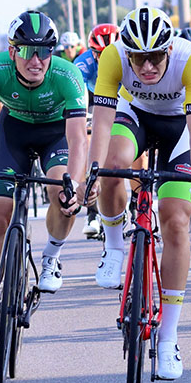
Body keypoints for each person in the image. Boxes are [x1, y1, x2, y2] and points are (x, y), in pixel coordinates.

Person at [89, 7, 191, 381]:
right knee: (114, 164)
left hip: (179, 128)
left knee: (175, 218)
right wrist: (93, 174)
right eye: (138, 58)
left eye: (155, 57)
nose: (146, 67)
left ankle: (168, 336)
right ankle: (114, 248)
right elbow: (101, 121)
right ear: (126, 52)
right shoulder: (112, 57)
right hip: (136, 116)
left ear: (168, 49)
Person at [0, 11, 88, 354]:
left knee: (60, 192)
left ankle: (51, 257)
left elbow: (78, 141)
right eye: (27, 51)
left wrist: (73, 184)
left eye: (44, 51)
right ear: (13, 50)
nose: (36, 60)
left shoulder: (68, 75)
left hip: (54, 136)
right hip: (13, 133)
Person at [75, 22, 121, 239]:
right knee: (89, 144)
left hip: (122, 97)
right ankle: (92, 213)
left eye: (108, 53)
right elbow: (80, 97)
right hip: (94, 97)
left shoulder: (128, 59)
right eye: (98, 54)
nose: (103, 59)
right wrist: (83, 120)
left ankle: (135, 207)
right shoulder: (82, 63)